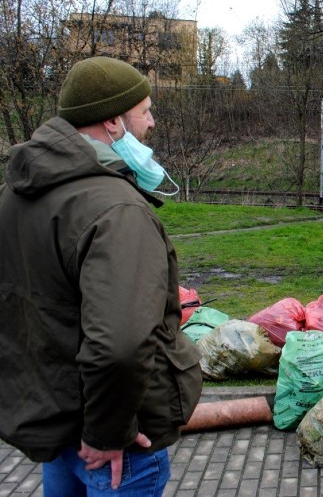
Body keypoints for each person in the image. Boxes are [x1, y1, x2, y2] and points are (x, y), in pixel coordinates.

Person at [0, 56, 202, 495]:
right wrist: (108, 435)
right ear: (113, 121)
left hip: (57, 424)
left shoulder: (15, 195)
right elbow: (121, 346)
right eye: (144, 111)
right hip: (114, 446)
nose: (151, 123)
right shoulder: (117, 210)